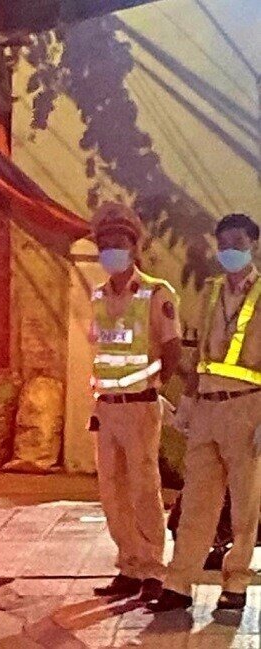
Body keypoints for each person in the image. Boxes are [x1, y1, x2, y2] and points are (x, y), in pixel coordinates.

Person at [149, 213, 261, 612]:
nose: (230, 251)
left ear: (254, 246)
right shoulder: (211, 292)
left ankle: (236, 582)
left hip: (247, 407)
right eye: (224, 244)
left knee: (245, 503)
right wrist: (189, 403)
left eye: (238, 244)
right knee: (196, 500)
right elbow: (199, 356)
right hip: (208, 408)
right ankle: (179, 583)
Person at [88, 202, 182, 603]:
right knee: (112, 490)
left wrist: (153, 385)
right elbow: (100, 351)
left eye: (119, 242)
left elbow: (172, 347)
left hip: (140, 405)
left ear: (134, 246)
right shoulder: (98, 295)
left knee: (144, 487)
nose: (111, 250)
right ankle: (128, 565)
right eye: (104, 244)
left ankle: (152, 569)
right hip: (107, 407)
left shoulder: (156, 292)